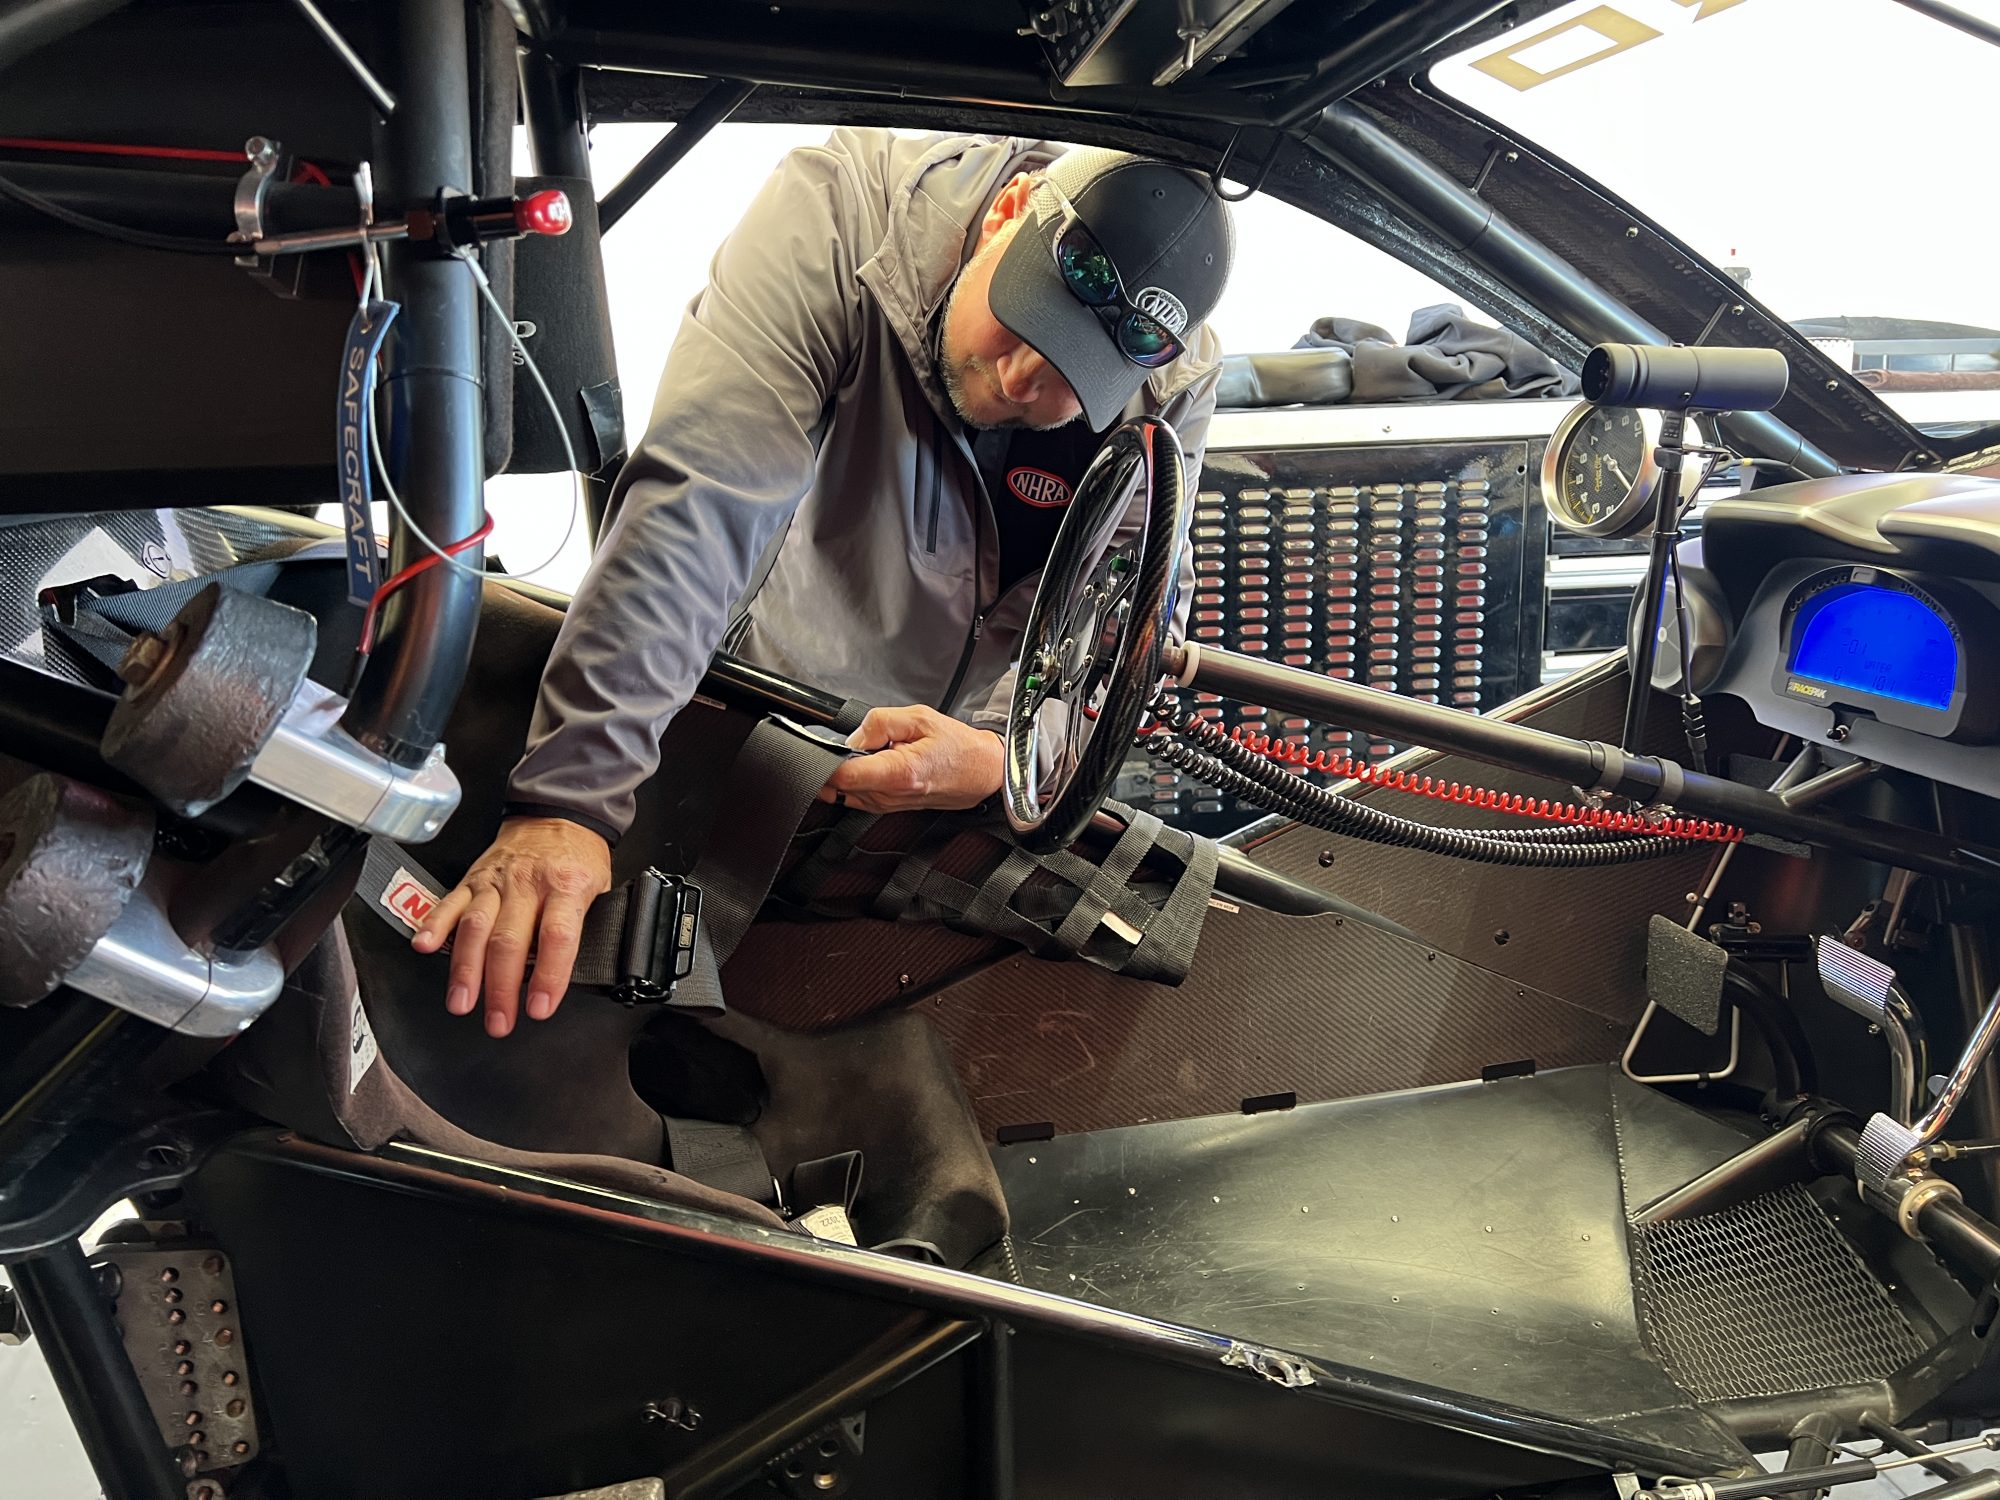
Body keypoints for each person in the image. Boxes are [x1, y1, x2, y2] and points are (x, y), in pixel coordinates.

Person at [413, 129, 1235, 1036]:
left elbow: (1117, 607)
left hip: (926, 768)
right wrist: (568, 803)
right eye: (1026, 322)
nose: (1017, 379)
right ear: (1008, 213)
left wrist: (1005, 755)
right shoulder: (842, 211)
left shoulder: (1173, 379)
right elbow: (704, 495)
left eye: (1071, 380)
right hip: (742, 706)